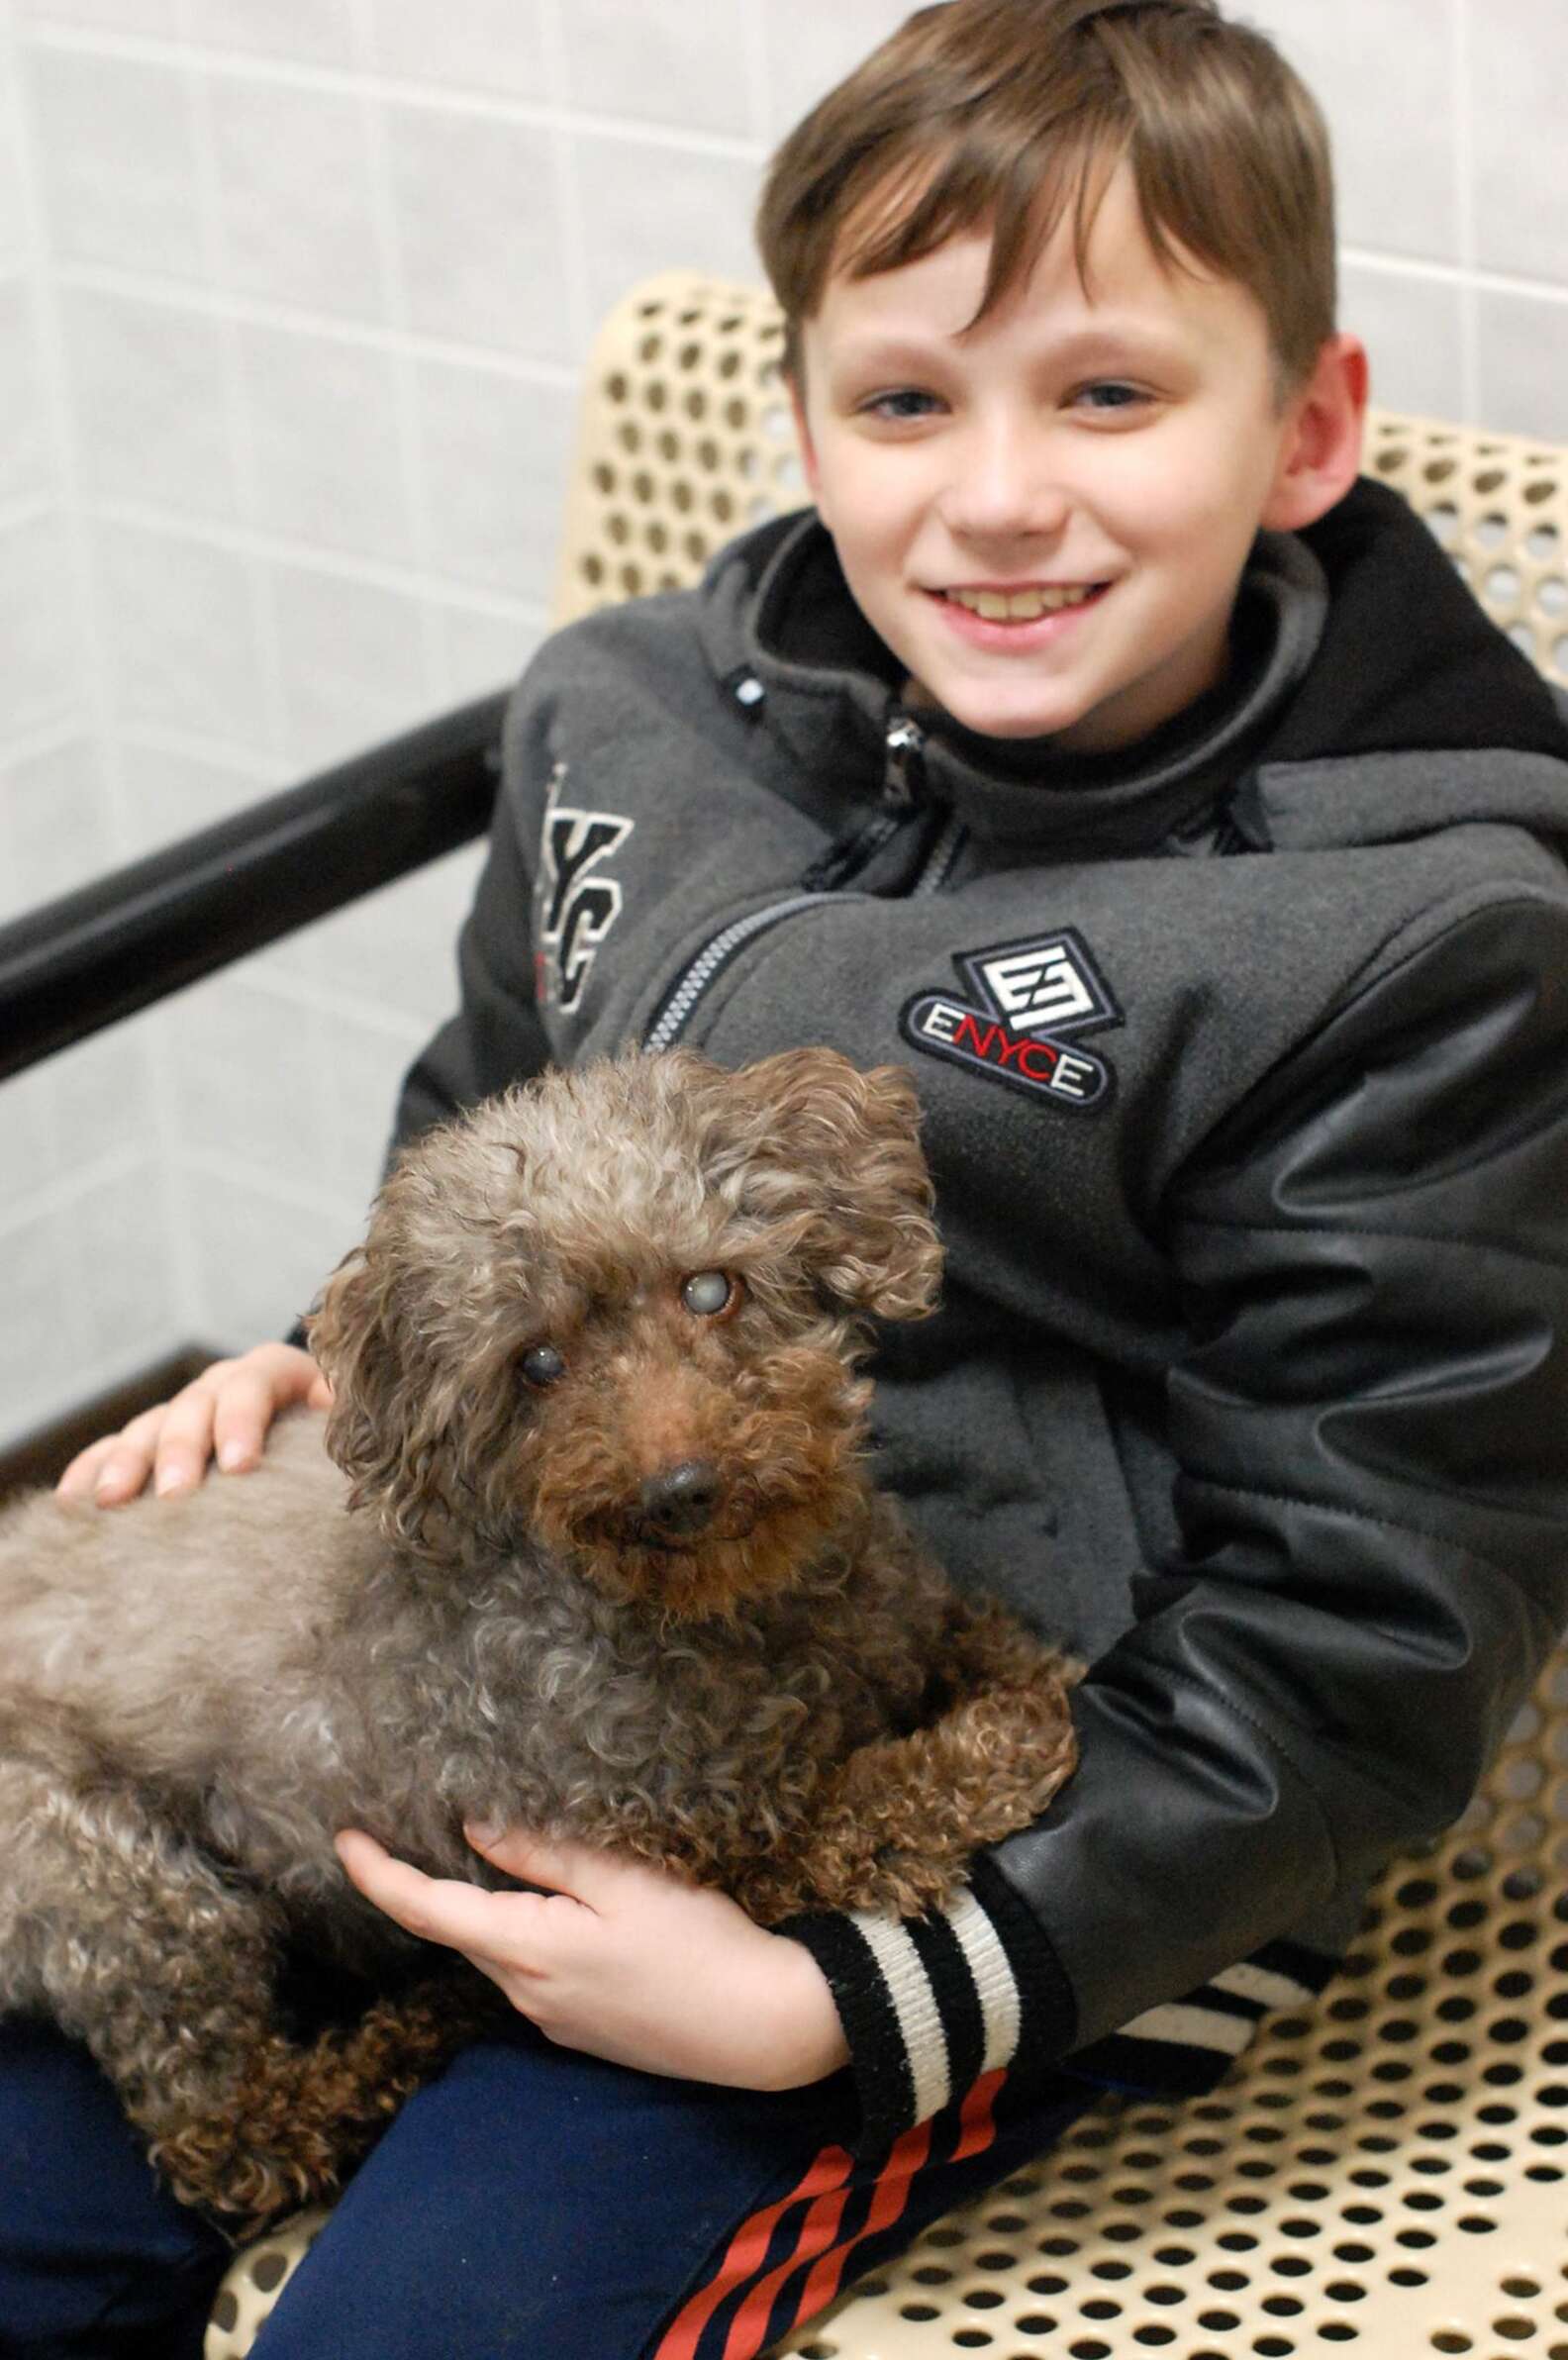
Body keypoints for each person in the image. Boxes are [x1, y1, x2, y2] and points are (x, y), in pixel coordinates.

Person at [12, 0, 1568, 2352]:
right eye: (910, 400)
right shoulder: (625, 711)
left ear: (1309, 425)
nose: (999, 496)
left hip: (977, 1847)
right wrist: (328, 1373)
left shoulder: (1425, 933)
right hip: (477, 1708)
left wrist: (839, 1997)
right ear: (808, 414)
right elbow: (472, 1134)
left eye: (1111, 394)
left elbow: (1377, 1627)